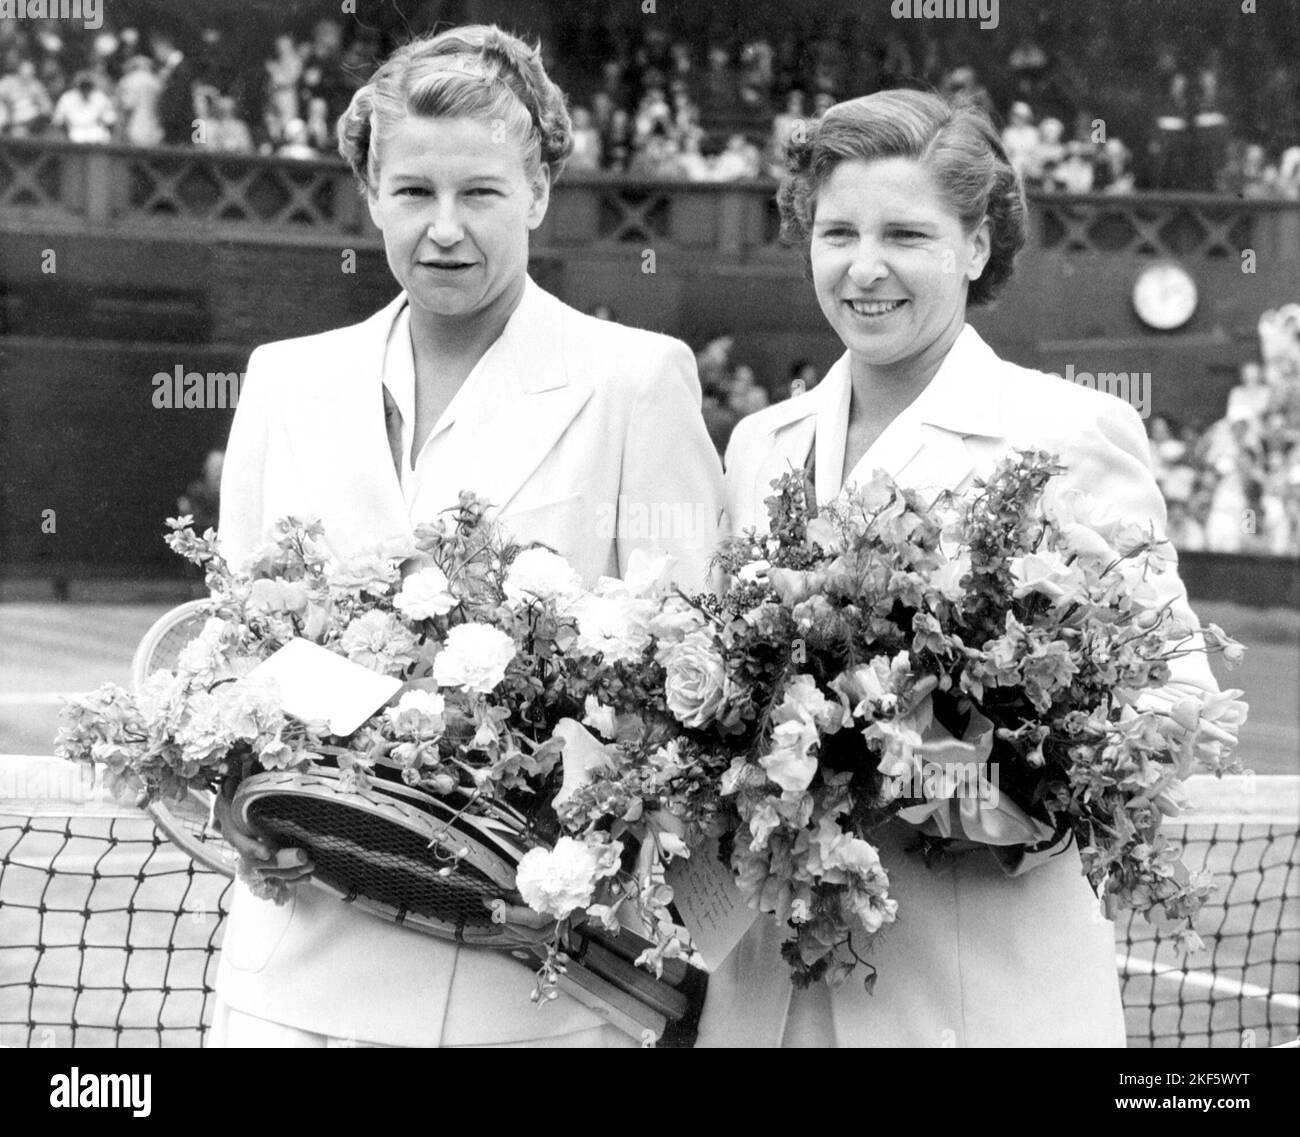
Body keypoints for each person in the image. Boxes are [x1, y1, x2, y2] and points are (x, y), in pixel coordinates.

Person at [212, 24, 723, 1049]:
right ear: (371, 196)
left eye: (481, 193)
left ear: (536, 193)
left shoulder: (635, 379)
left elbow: (689, 674)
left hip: (526, 990)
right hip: (292, 974)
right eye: (413, 193)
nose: (444, 229)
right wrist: (241, 801)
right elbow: (237, 648)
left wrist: (584, 846)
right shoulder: (285, 378)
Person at [697, 89, 1227, 1048]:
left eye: (907, 233)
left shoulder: (1069, 432)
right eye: (837, 232)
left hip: (979, 1002)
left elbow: (1172, 708)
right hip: (770, 1002)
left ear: (977, 246)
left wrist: (973, 787)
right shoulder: (758, 446)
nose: (866, 267)